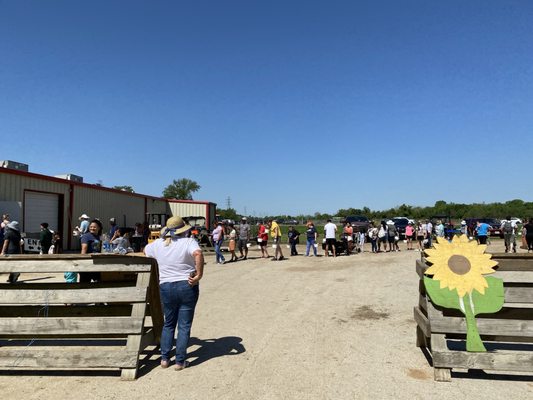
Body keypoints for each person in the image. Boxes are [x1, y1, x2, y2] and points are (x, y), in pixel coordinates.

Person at [144, 216, 203, 371]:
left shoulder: (158, 244)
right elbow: (197, 254)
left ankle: (164, 358)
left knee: (169, 323)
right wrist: (199, 274)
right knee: (184, 325)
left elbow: (145, 252)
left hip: (166, 285)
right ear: (183, 229)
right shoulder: (189, 242)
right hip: (186, 284)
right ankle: (180, 361)